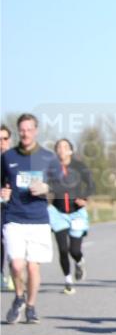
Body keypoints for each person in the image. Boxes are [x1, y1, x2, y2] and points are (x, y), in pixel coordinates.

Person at [2, 114, 58, 323]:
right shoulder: (8, 157)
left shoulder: (47, 157)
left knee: (33, 267)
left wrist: (47, 188)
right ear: (19, 131)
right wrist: (2, 192)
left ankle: (31, 306)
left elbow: (60, 187)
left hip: (38, 220)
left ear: (36, 130)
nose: (25, 133)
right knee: (16, 265)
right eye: (22, 130)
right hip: (14, 217)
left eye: (29, 129)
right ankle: (19, 297)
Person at [46, 139, 95, 294]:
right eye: (59, 147)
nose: (62, 149)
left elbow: (91, 185)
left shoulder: (79, 166)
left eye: (65, 147)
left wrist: (84, 198)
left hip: (77, 212)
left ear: (70, 151)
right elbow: (44, 185)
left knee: (74, 250)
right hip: (57, 212)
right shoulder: (51, 168)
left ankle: (79, 262)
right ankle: (68, 280)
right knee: (62, 249)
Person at [0, 124, 13, 291]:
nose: (1, 142)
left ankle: (13, 273)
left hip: (15, 208)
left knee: (11, 242)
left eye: (4, 139)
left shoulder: (16, 159)